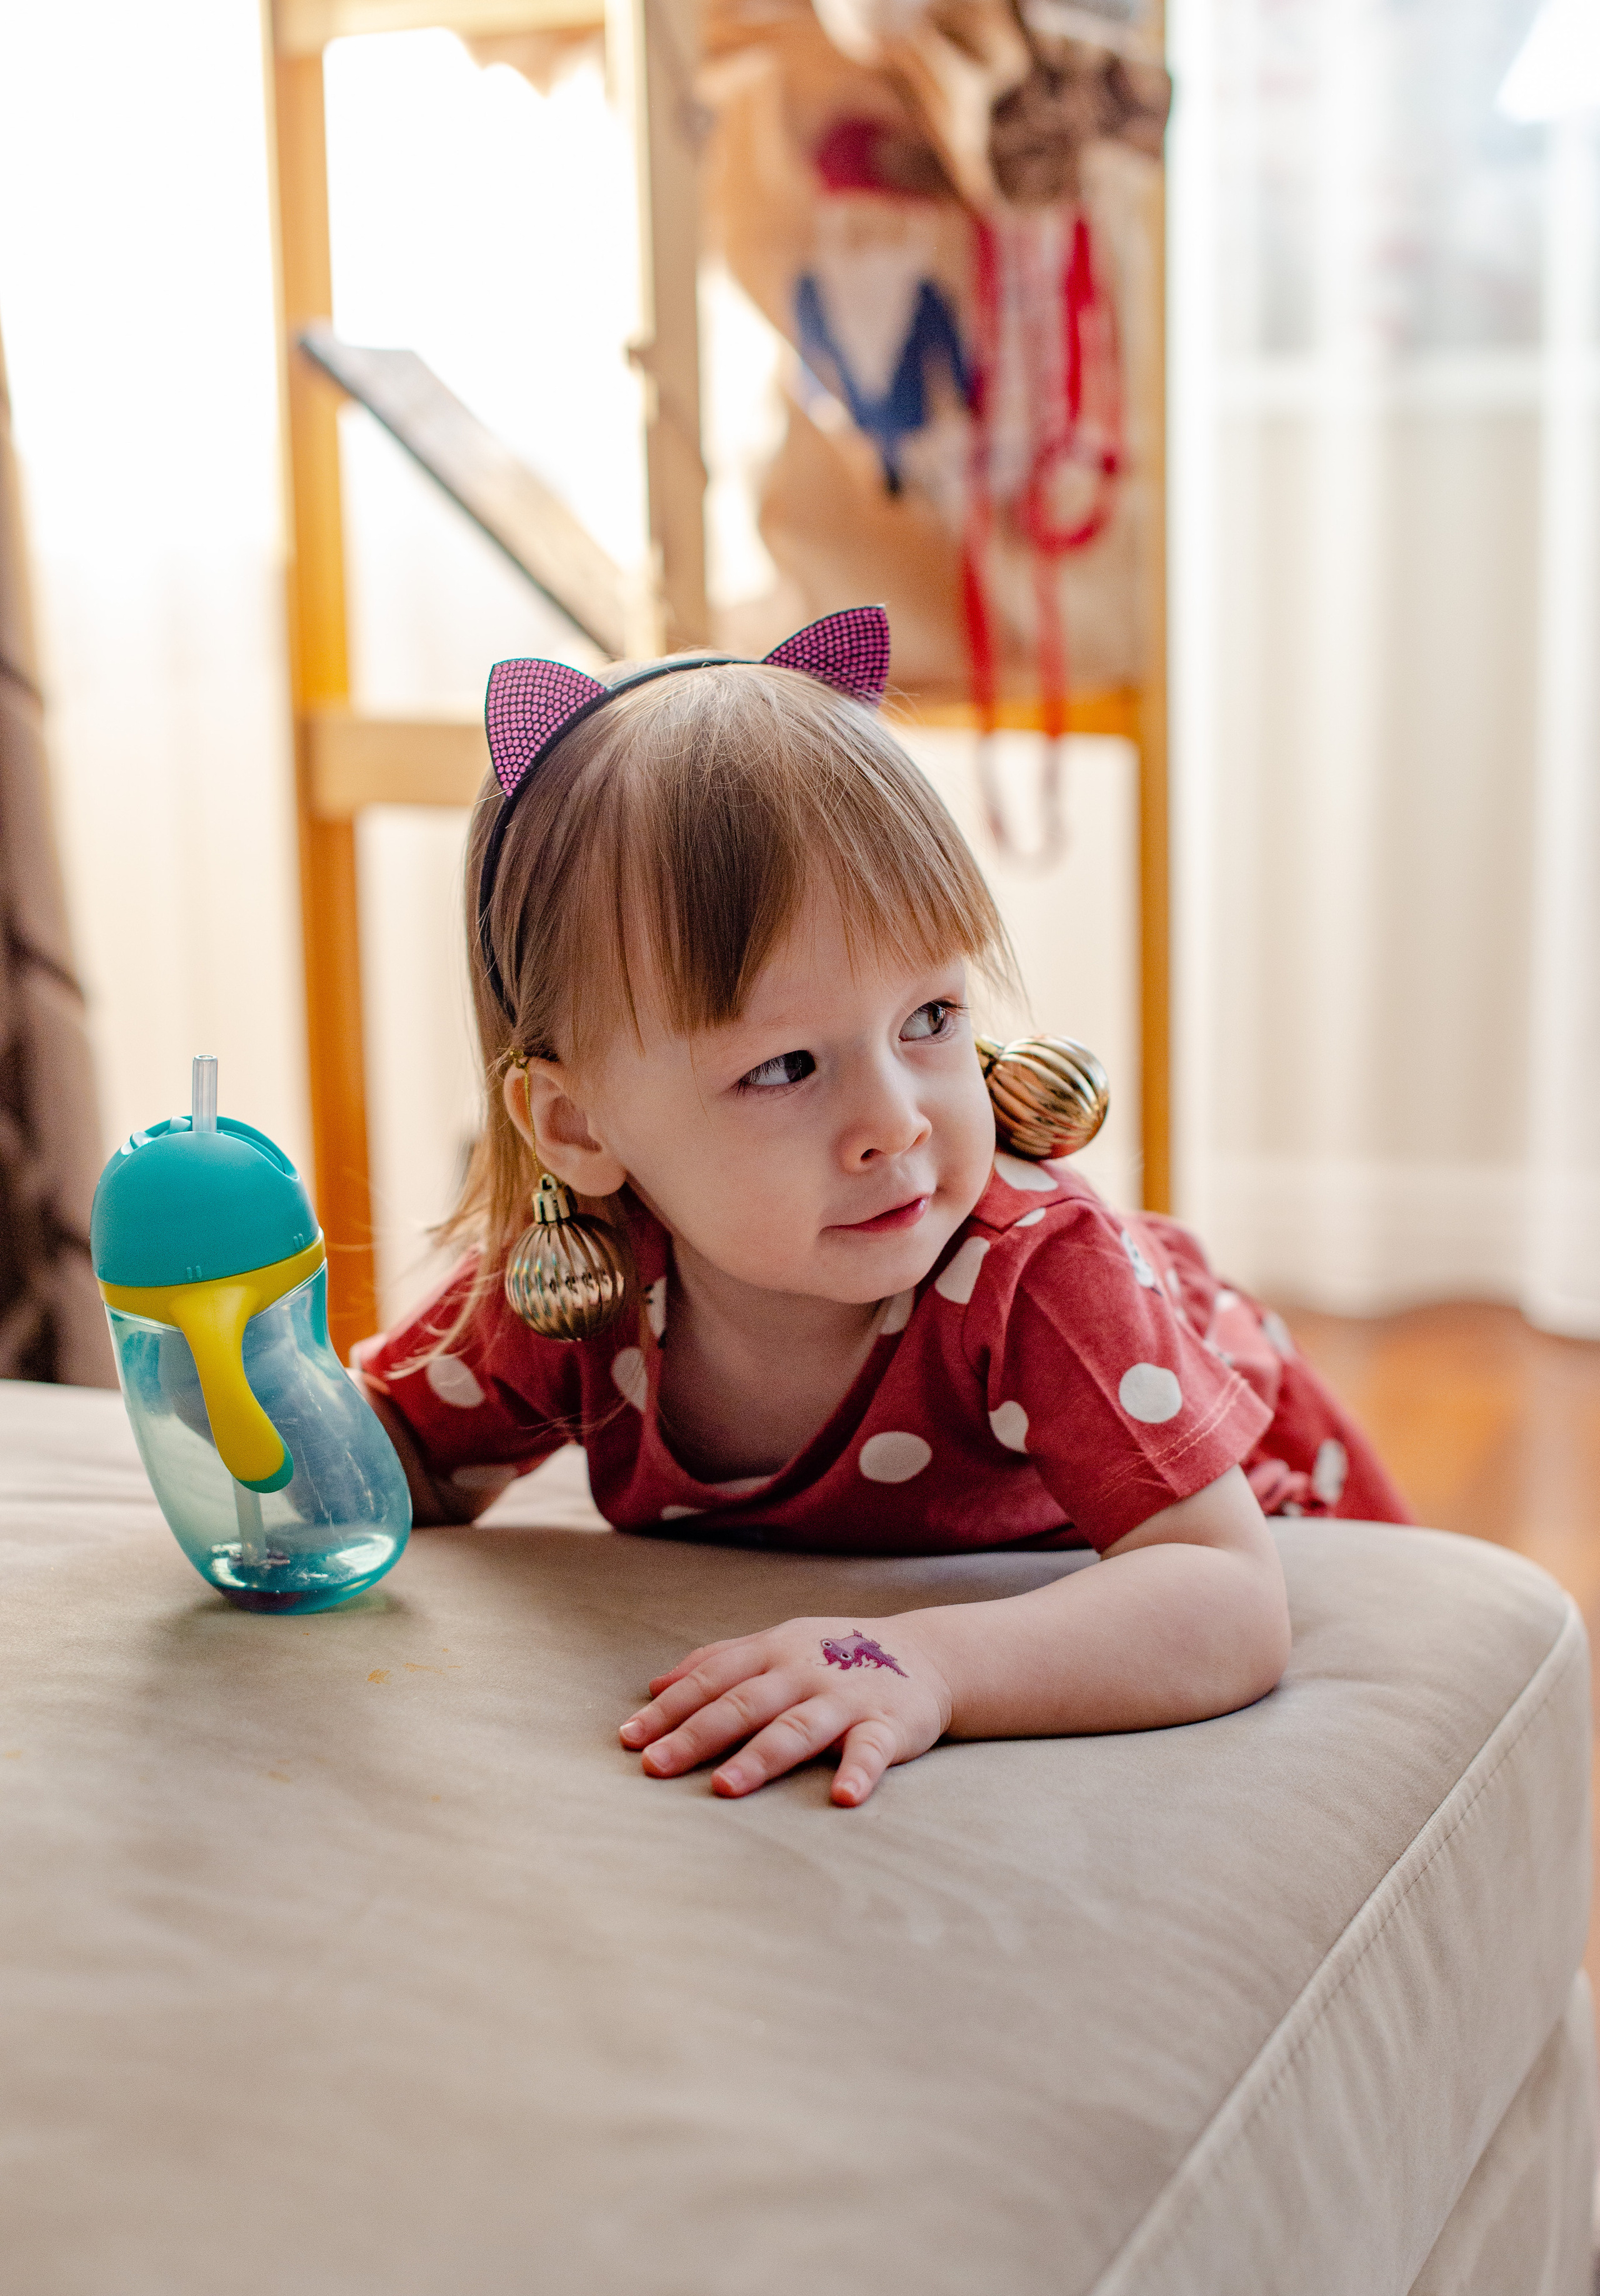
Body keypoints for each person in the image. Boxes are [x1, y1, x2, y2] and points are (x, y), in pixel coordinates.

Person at [354, 608, 1411, 1809]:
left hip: (1246, 1504)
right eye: (786, 1066)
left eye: (931, 1018)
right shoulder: (584, 1283)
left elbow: (1227, 1597)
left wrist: (925, 1658)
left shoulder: (1035, 1272)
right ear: (580, 1128)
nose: (900, 1120)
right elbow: (392, 1468)